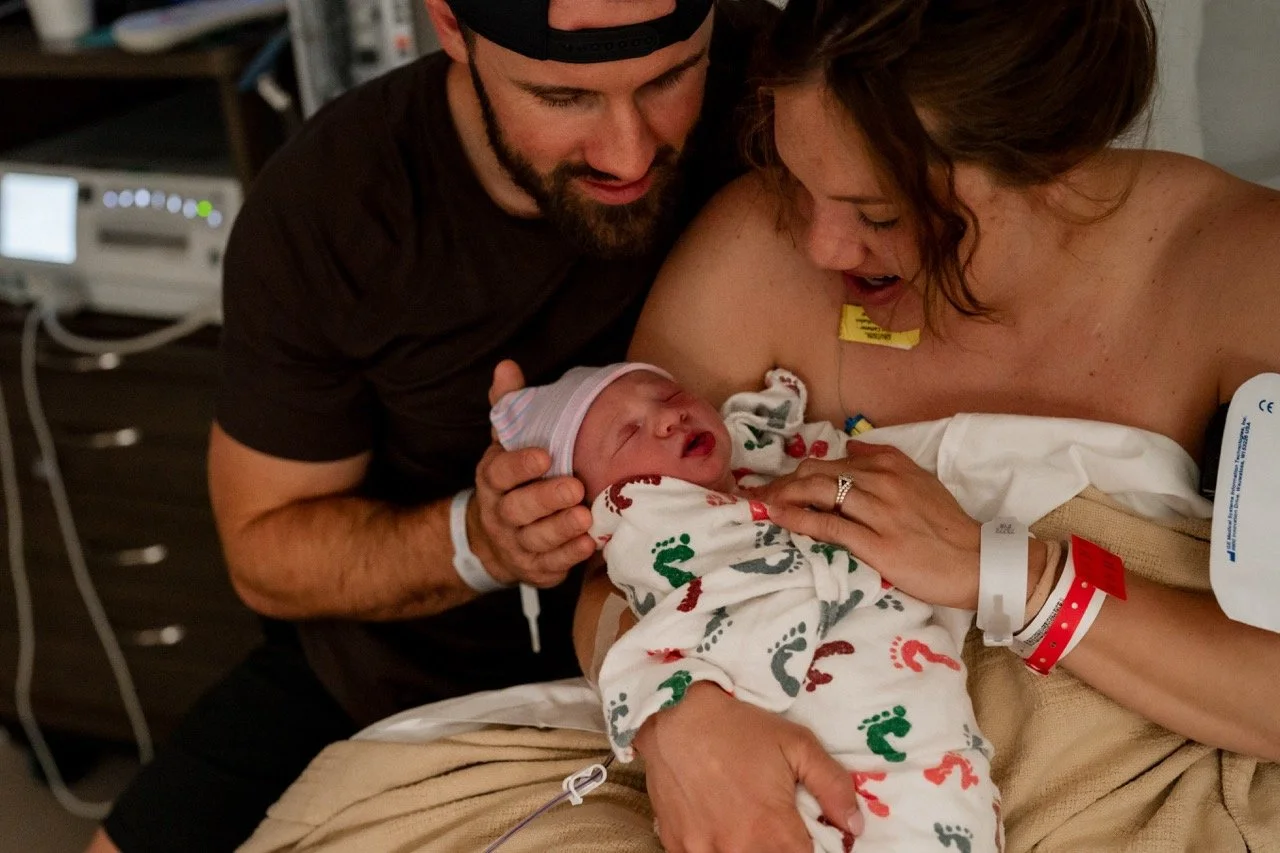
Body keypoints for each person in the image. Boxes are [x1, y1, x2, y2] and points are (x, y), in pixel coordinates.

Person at [568, 0, 1280, 851]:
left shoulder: (1238, 271)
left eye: (879, 215)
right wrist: (675, 712)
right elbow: (616, 573)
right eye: (798, 180)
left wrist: (1003, 570)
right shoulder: (757, 245)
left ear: (1046, 158)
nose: (824, 246)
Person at [85, 1, 775, 851]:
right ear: (451, 26)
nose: (629, 151)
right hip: (404, 668)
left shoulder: (779, 87)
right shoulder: (331, 207)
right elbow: (265, 550)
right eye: (563, 97)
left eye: (671, 76)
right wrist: (479, 540)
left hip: (732, 623)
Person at [491, 361, 1004, 851]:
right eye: (628, 434)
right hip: (797, 740)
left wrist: (798, 440)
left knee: (954, 813)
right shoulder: (643, 524)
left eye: (671, 396)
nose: (671, 417)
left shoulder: (764, 470)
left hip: (923, 721)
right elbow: (680, 626)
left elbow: (828, 464)